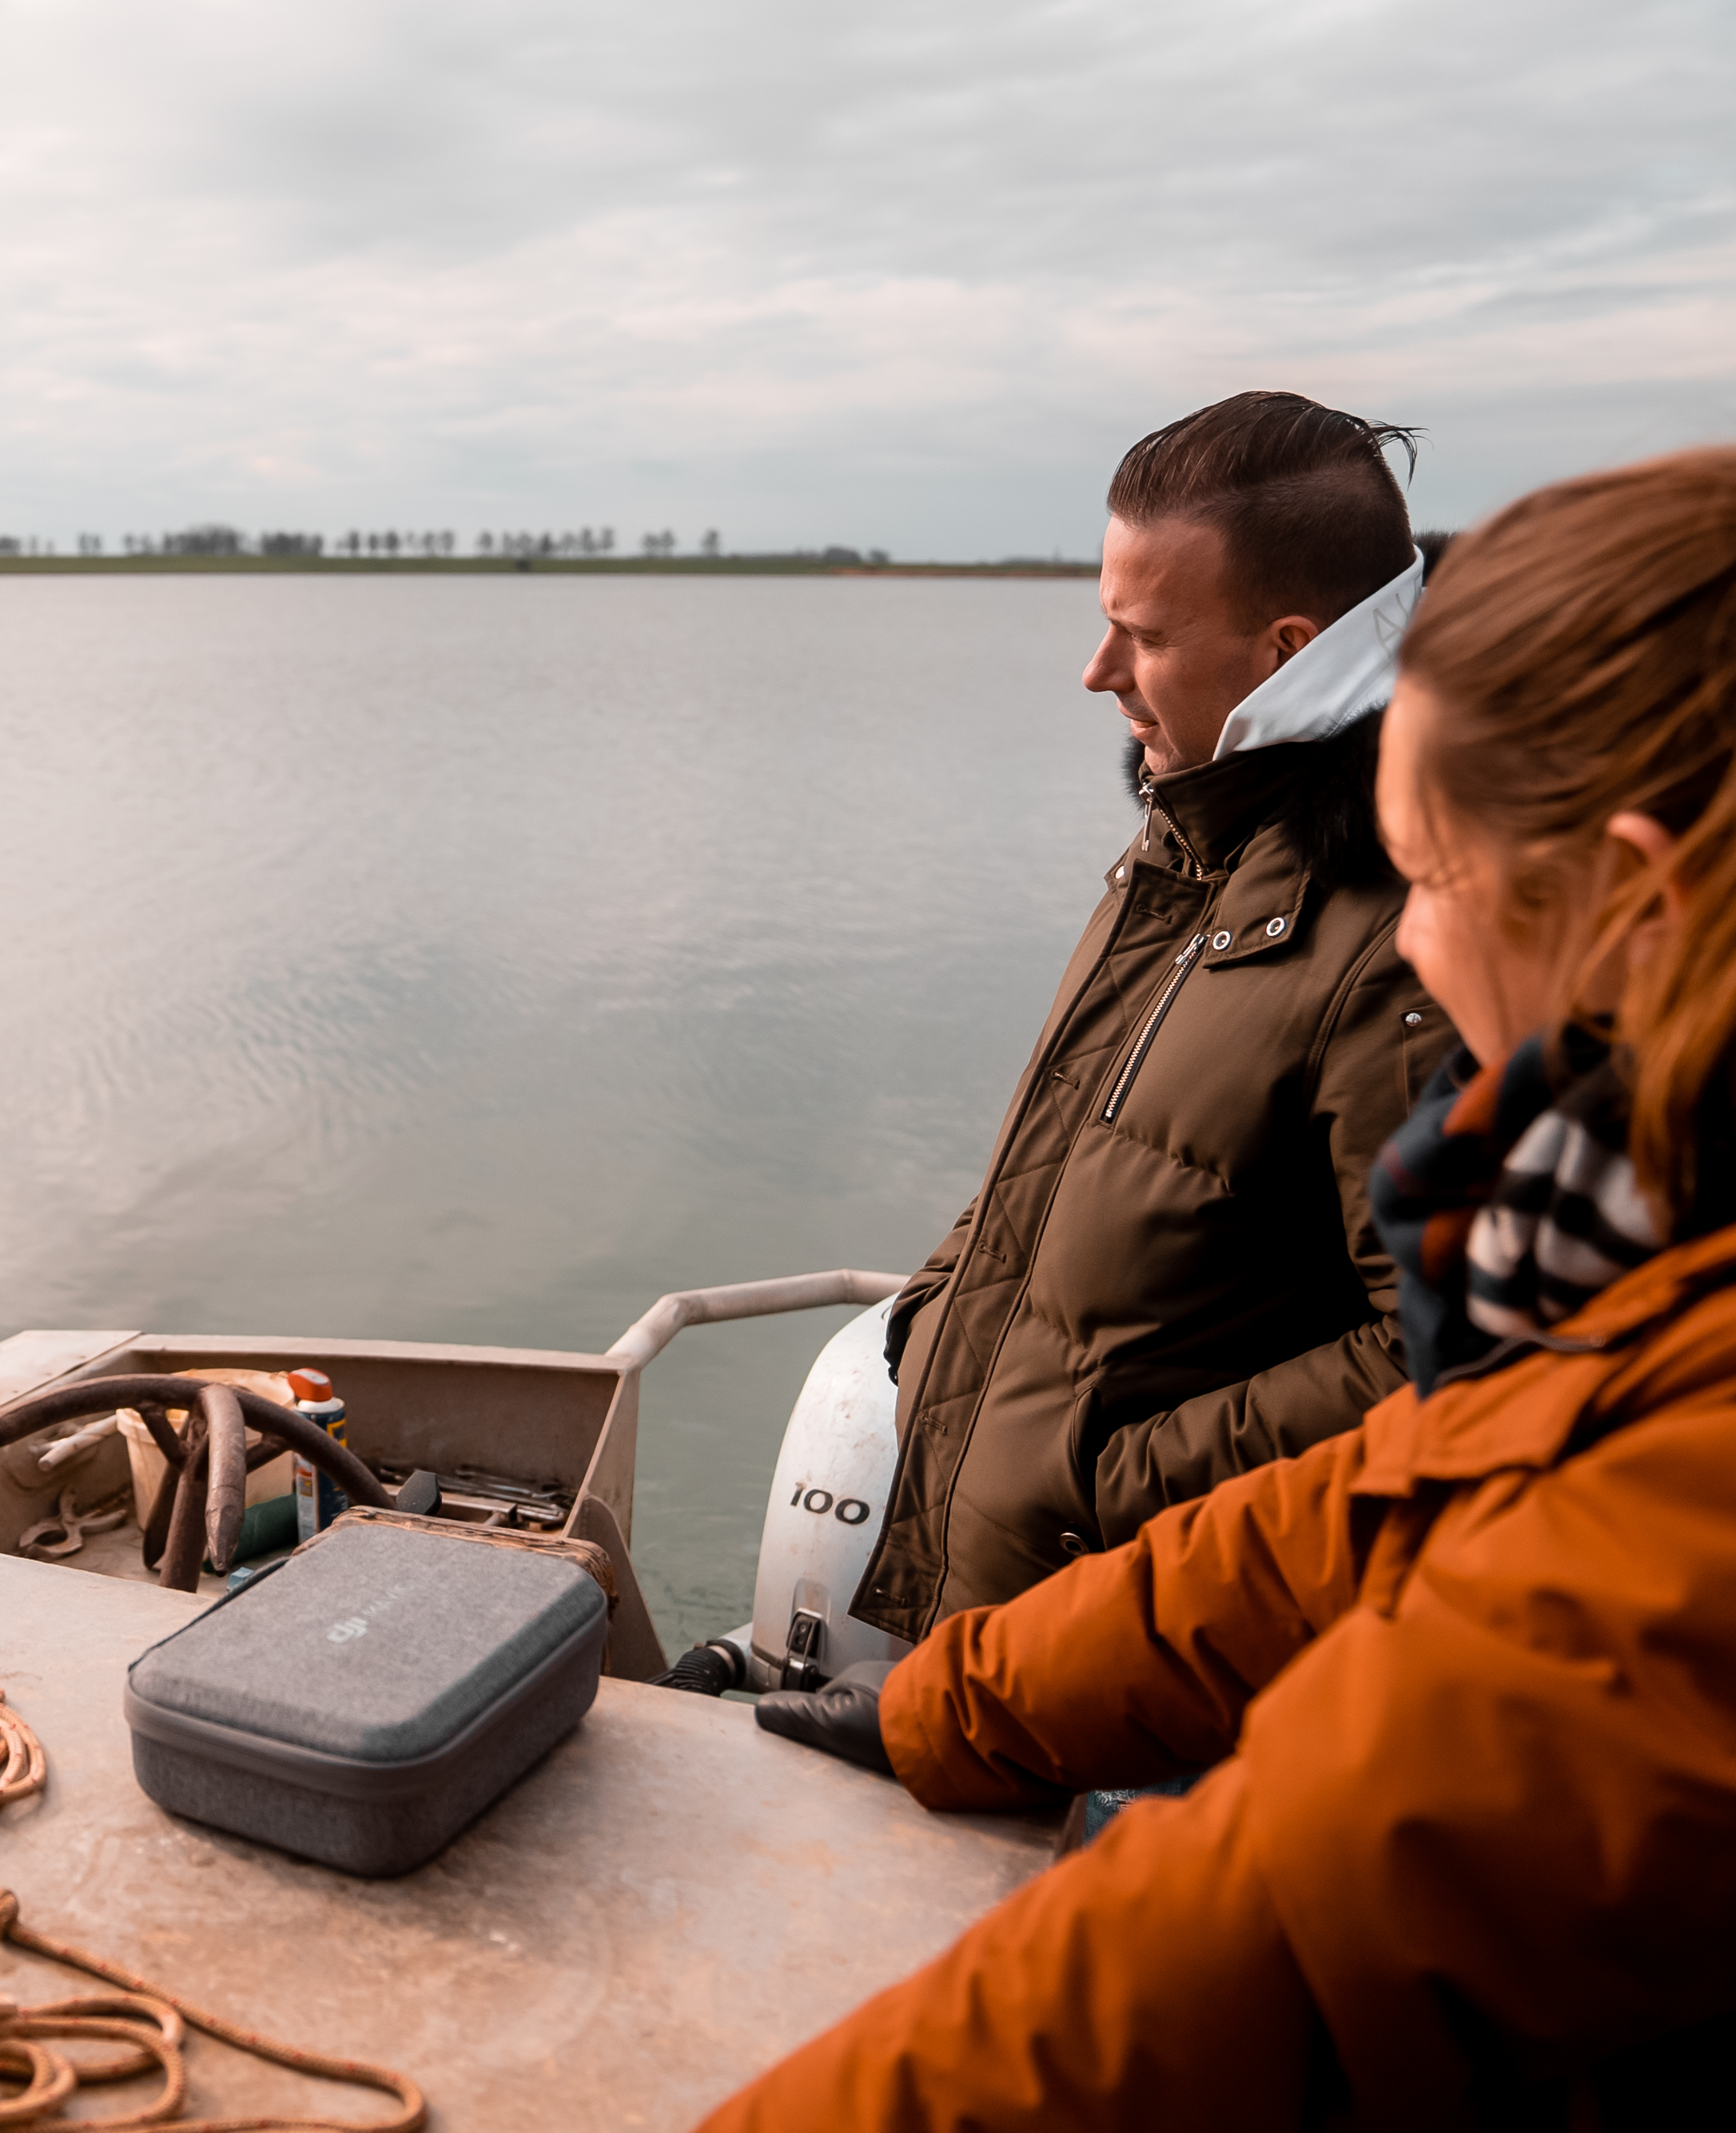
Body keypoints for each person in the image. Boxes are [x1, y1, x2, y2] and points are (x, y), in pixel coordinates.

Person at [719, 444, 1736, 2127]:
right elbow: (1367, 1502)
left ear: (1633, 901)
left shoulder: (1675, 1506)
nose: (1415, 938)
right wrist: (949, 1700)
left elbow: (1265, 1930)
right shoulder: (1629, 1284)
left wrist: (1095, 1484)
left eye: (1445, 879)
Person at [851, 392, 1454, 1646]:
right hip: (1018, 1630)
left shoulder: (1409, 937)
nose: (1098, 670)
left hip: (1154, 1649)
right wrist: (933, 1310)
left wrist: (1098, 1477)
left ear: (1288, 649)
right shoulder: (1189, 845)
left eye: (1144, 634)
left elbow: (1439, 1360)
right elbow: (1071, 1142)